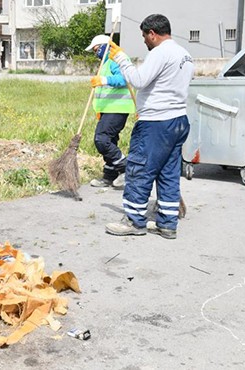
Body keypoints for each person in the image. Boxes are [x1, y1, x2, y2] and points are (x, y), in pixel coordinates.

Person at [104, 14, 194, 239]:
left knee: (139, 170)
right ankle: (167, 223)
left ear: (153, 34)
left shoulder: (160, 53)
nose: (144, 40)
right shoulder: (185, 54)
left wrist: (122, 59)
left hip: (156, 124)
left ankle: (135, 221)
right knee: (168, 174)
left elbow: (138, 80)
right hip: (178, 121)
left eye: (145, 36)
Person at [86, 34, 135, 188]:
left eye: (96, 50)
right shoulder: (105, 63)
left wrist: (103, 80)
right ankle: (109, 176)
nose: (96, 54)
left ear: (104, 47)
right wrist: (100, 109)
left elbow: (124, 79)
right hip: (108, 108)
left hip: (118, 108)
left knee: (101, 139)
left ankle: (126, 168)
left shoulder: (116, 59)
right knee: (110, 140)